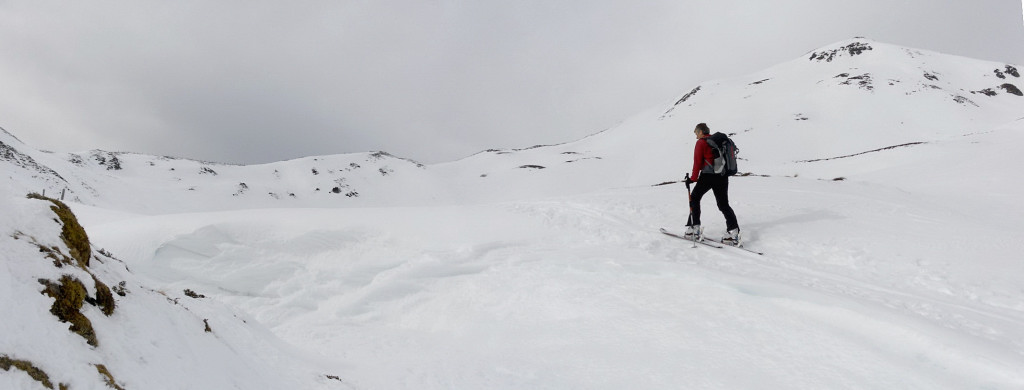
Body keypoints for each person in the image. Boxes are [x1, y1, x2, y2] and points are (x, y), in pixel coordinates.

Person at [684, 123, 741, 244]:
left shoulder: (701, 143)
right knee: (723, 204)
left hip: (708, 176)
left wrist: (693, 179)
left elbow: (697, 163)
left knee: (694, 198)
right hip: (722, 176)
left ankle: (694, 229)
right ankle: (733, 232)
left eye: (696, 133)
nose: (696, 136)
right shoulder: (717, 141)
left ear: (701, 132)